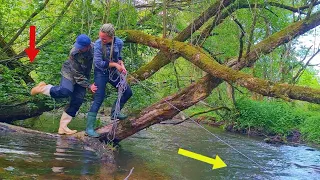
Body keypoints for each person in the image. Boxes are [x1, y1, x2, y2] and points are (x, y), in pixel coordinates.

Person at [30, 34, 97, 135]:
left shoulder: (96, 48)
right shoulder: (74, 52)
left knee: (78, 100)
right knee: (65, 91)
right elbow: (76, 74)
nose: (78, 48)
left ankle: (63, 127)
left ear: (88, 46)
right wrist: (88, 86)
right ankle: (42, 88)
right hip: (69, 72)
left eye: (81, 47)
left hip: (83, 74)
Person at [86, 23, 132, 137]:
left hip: (113, 73)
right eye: (100, 37)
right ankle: (89, 128)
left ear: (111, 36)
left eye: (104, 38)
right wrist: (115, 65)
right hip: (101, 73)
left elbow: (119, 58)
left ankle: (115, 113)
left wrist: (122, 66)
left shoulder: (119, 43)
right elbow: (98, 63)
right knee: (99, 98)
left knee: (127, 92)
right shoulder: (97, 44)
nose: (102, 40)